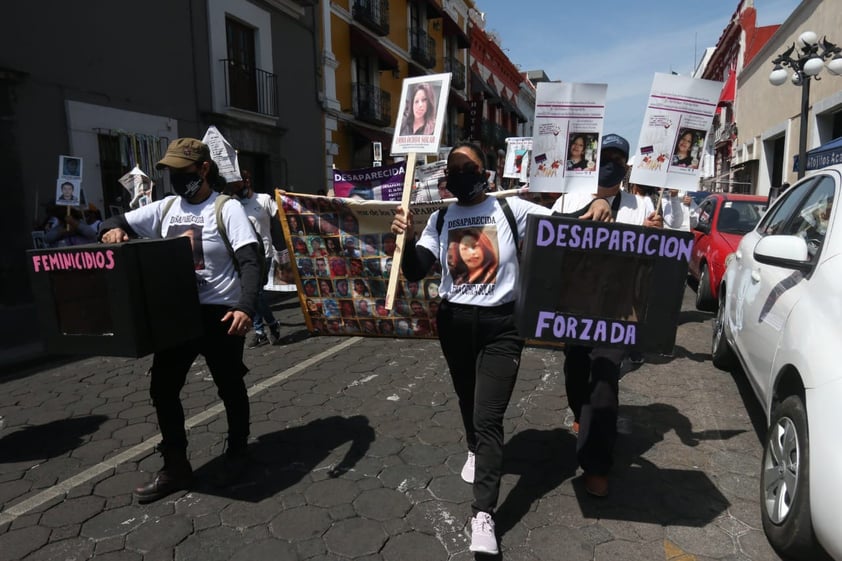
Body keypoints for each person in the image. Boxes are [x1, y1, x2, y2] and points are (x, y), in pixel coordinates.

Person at [390, 140, 612, 555]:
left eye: (466, 165)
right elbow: (418, 270)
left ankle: (483, 514)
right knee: (466, 397)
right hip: (454, 323)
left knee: (488, 416)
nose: (458, 173)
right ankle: (473, 448)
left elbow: (568, 226)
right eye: (452, 168)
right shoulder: (440, 219)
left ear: (485, 172)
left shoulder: (514, 210)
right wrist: (403, 242)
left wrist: (597, 206)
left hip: (501, 328)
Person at [98, 137, 261, 502]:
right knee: (163, 389)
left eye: (181, 171)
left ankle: (238, 451)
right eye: (170, 171)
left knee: (229, 384)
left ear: (203, 170)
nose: (174, 177)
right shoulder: (166, 207)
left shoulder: (227, 208)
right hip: (175, 315)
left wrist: (245, 308)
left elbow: (251, 261)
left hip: (221, 314)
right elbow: (114, 220)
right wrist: (112, 230)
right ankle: (175, 466)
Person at [550, 133, 663, 498]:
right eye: (606, 156)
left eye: (618, 157)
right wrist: (587, 212)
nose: (611, 162)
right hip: (576, 307)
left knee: (603, 380)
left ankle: (597, 463)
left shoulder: (643, 206)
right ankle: (583, 418)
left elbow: (659, 264)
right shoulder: (570, 198)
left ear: (627, 166)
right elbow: (548, 240)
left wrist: (656, 237)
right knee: (576, 373)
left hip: (618, 311)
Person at [226, 169, 283, 348]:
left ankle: (271, 325)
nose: (235, 188)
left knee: (255, 293)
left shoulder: (264, 199)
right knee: (251, 293)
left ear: (247, 182)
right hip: (242, 256)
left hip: (264, 253)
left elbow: (281, 215)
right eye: (232, 185)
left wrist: (283, 199)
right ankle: (260, 332)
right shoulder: (232, 204)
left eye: (237, 184)